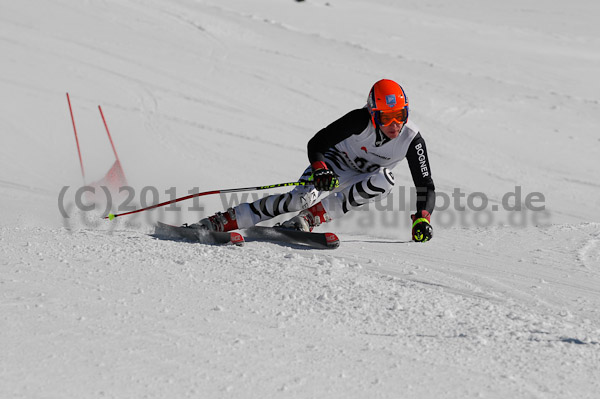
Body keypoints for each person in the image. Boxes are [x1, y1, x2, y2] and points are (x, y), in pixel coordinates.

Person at [194, 79, 435, 242]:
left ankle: (308, 220)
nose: (395, 125)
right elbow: (317, 143)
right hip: (333, 165)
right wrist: (320, 169)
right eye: (386, 118)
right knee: (299, 199)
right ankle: (221, 222)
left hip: (363, 178)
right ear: (373, 115)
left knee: (385, 180)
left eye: (400, 116)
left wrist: (423, 217)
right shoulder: (358, 121)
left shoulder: (411, 139)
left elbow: (425, 184)